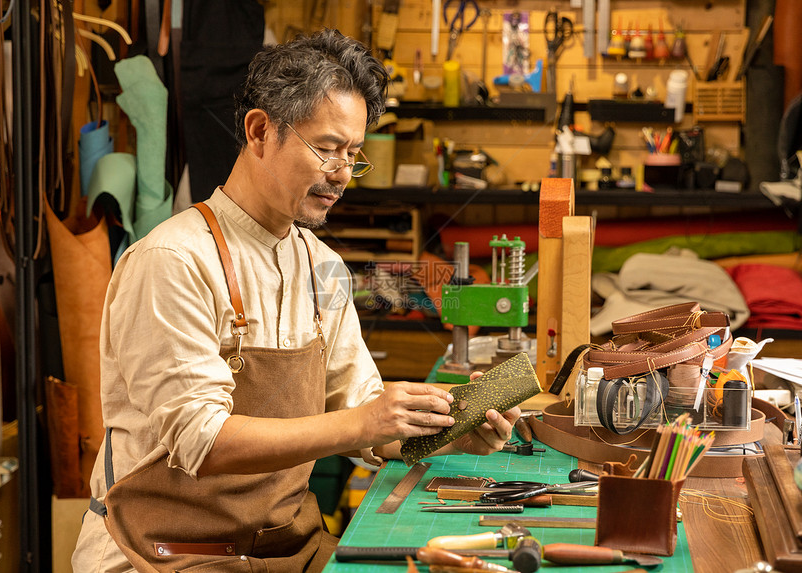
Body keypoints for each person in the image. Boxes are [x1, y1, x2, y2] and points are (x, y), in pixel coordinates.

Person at [72, 28, 520, 573]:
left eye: (353, 155)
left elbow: (364, 418)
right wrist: (365, 423)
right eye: (327, 149)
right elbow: (202, 441)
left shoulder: (320, 264)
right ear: (260, 131)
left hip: (284, 548)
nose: (341, 175)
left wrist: (454, 438)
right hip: (165, 553)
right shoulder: (172, 260)